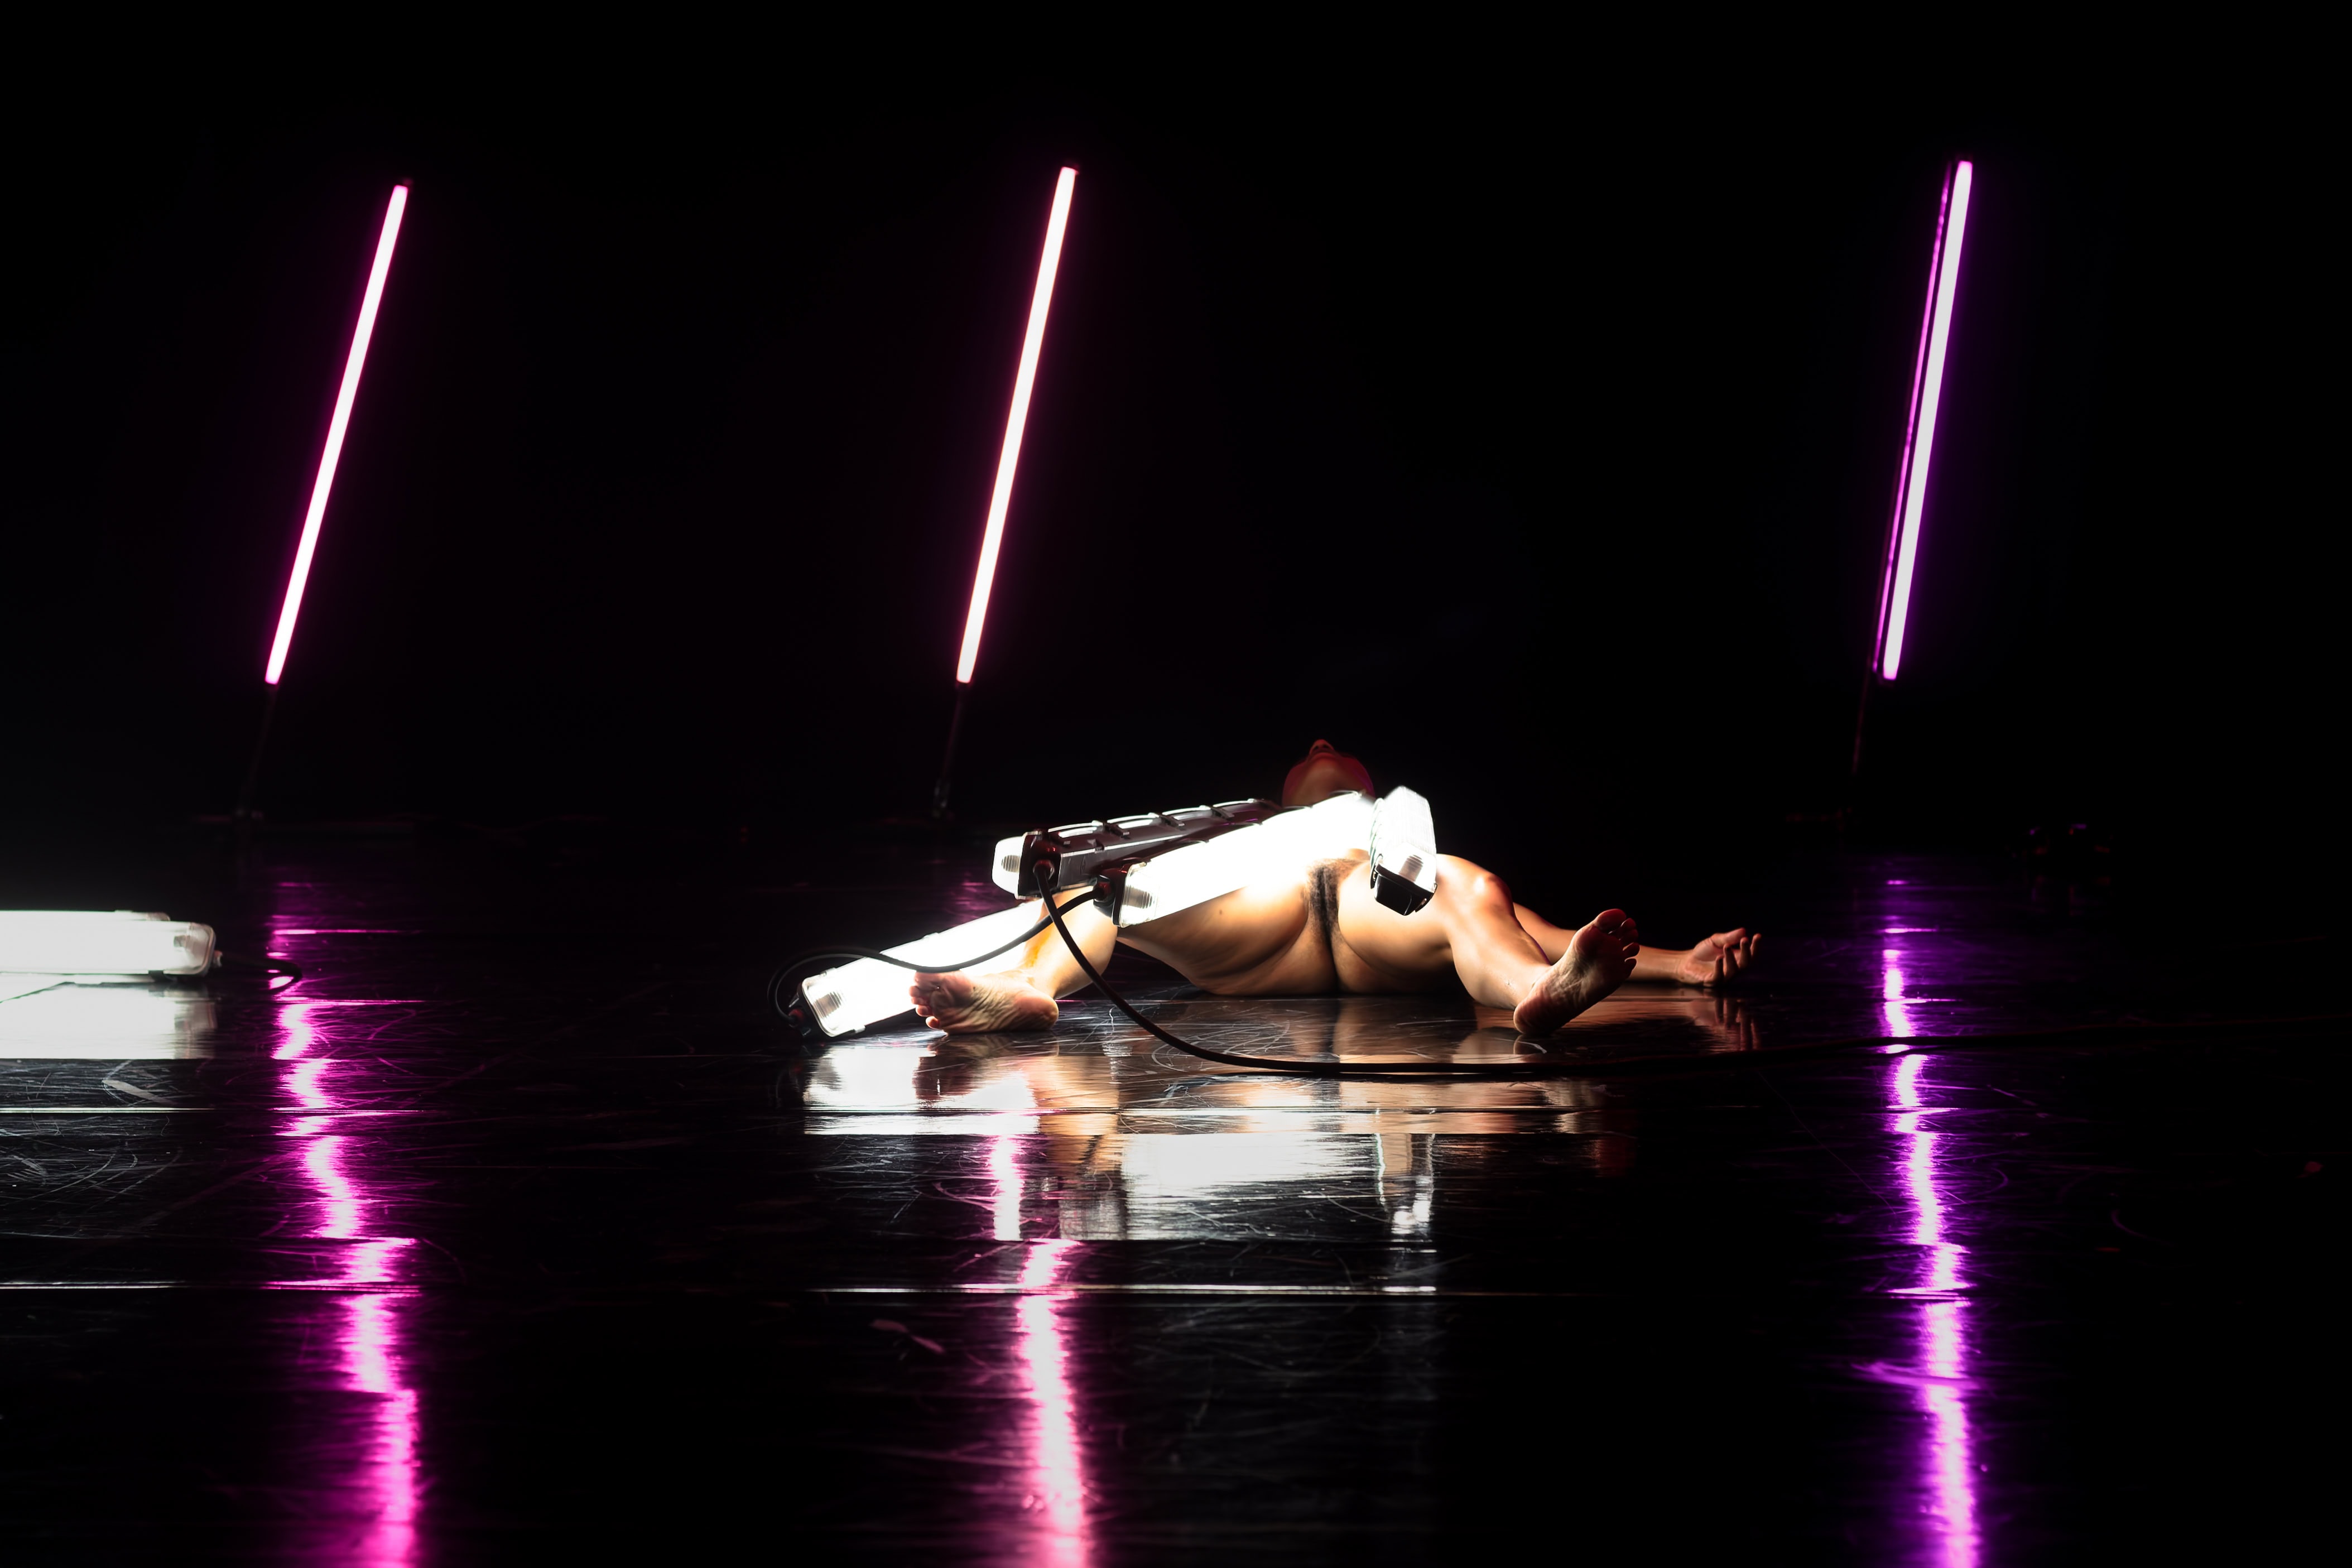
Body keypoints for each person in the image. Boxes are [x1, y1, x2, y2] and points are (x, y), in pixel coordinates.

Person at [912, 740, 1759, 1037]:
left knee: (1471, 886)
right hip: (1265, 913)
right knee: (1111, 884)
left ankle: (1537, 995)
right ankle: (1029, 989)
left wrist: (1681, 962)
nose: (1322, 742)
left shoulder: (1395, 840)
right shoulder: (1238, 838)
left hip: (1370, 912)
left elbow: (1525, 919)